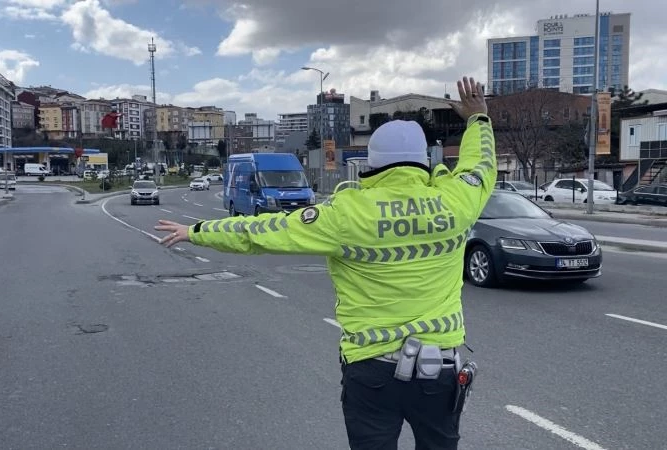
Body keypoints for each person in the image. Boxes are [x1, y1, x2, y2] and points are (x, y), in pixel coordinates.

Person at [155, 76, 496, 450]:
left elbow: (263, 231)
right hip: (439, 370)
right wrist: (477, 119)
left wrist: (197, 231)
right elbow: (480, 166)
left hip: (372, 370)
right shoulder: (456, 202)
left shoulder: (346, 213)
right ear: (424, 161)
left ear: (372, 163)